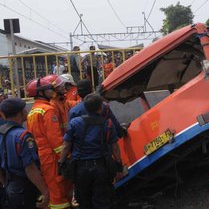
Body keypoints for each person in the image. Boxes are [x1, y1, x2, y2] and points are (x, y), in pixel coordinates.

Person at [59, 93, 123, 209]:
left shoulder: (75, 123)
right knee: (102, 202)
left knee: (84, 203)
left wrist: (61, 162)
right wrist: (119, 165)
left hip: (81, 170)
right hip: (102, 168)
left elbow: (66, 146)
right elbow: (115, 147)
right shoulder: (107, 124)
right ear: (100, 107)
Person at [26, 76, 73, 209]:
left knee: (51, 190)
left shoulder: (33, 111)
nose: (52, 90)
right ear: (41, 92)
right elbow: (56, 140)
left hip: (41, 157)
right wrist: (65, 158)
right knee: (58, 193)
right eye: (48, 88)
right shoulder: (48, 110)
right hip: (52, 158)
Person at [0, 98, 49, 208]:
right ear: (21, 112)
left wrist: (5, 184)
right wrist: (45, 192)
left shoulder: (1, 133)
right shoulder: (23, 136)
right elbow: (30, 168)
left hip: (10, 186)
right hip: (25, 188)